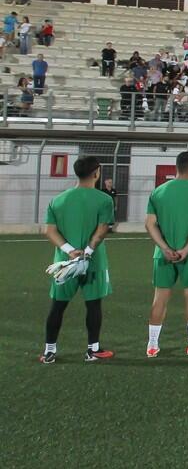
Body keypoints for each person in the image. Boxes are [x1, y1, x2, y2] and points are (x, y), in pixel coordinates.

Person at [40, 156, 115, 364]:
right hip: (94, 261)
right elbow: (101, 230)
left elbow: (50, 230)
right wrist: (88, 251)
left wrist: (70, 251)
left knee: (57, 306)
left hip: (65, 263)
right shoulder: (104, 199)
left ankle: (49, 351)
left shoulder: (58, 200)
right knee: (93, 305)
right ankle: (93, 350)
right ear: (96, 173)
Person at [144, 151, 188, 358]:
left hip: (162, 254)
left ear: (176, 167)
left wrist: (164, 248)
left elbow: (149, 224)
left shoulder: (158, 192)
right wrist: (186, 249)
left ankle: (152, 345)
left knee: (160, 298)